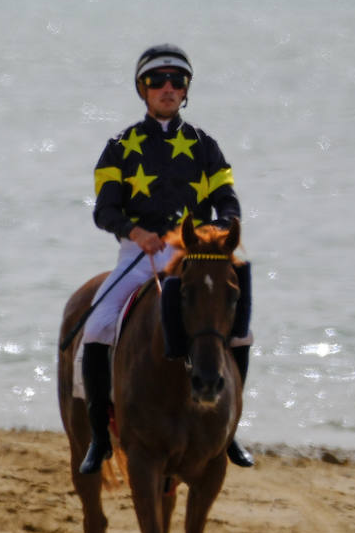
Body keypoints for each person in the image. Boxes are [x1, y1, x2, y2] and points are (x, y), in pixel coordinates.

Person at [77, 42, 254, 475]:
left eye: (177, 81)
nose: (168, 88)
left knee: (242, 331)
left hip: (195, 253)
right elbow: (104, 211)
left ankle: (229, 427)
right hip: (140, 252)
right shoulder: (119, 147)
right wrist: (137, 232)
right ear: (143, 89)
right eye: (157, 81)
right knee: (96, 328)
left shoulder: (205, 146)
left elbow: (227, 200)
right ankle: (99, 435)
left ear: (186, 90)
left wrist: (220, 230)